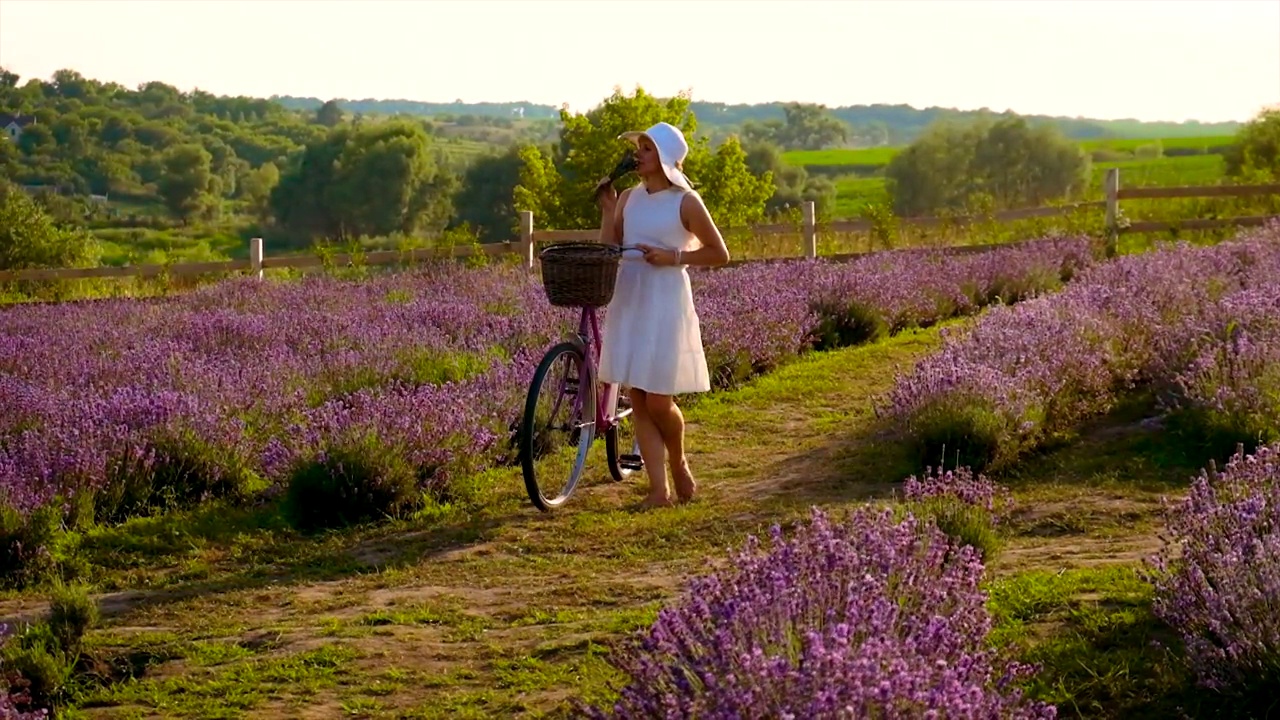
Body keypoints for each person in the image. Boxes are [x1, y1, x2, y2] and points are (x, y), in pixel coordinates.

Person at [594, 121, 731, 509]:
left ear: (667, 157)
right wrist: (608, 211)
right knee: (637, 397)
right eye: (639, 147)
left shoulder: (686, 202)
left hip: (665, 300)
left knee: (658, 400)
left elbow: (719, 253)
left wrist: (673, 257)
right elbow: (610, 248)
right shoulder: (629, 199)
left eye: (648, 148)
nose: (639, 154)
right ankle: (658, 490)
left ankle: (679, 460)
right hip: (631, 296)